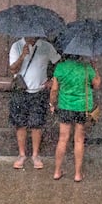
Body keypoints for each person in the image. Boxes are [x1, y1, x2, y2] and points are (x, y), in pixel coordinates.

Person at [8, 36, 61, 170]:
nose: (30, 36)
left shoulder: (46, 46)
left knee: (37, 124)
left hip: (39, 91)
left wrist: (53, 80)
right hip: (21, 90)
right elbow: (13, 69)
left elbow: (58, 63)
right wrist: (22, 56)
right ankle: (21, 155)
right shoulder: (16, 46)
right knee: (20, 124)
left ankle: (35, 155)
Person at [49, 56, 101, 182]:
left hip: (65, 106)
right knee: (79, 140)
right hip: (82, 107)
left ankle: (57, 172)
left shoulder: (60, 67)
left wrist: (52, 103)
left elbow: (54, 89)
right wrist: (95, 67)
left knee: (62, 139)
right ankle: (77, 174)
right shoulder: (86, 68)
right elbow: (97, 85)